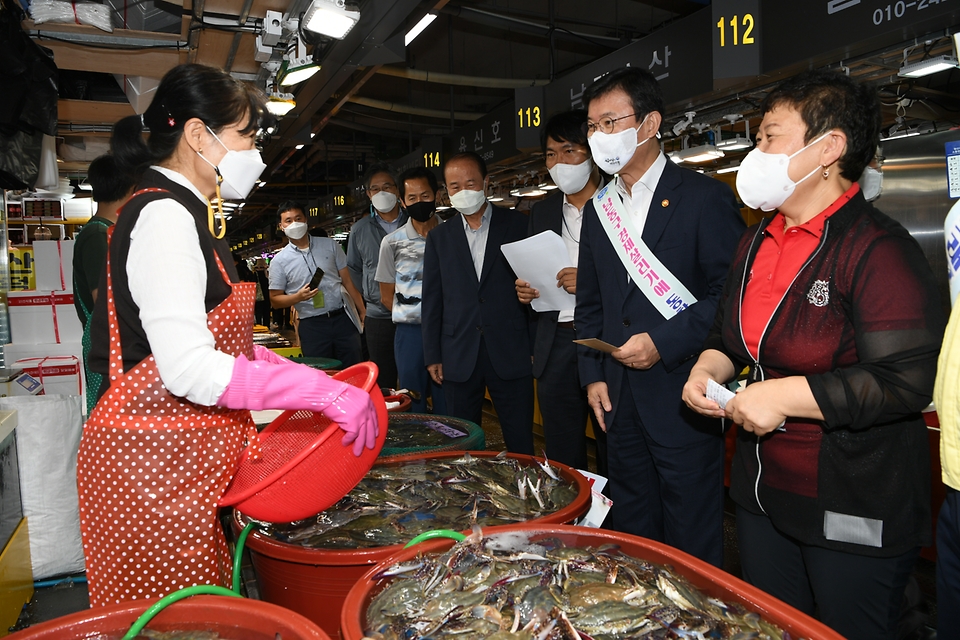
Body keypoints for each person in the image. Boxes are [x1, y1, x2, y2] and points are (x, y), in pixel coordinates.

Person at [79, 63, 378, 607]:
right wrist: (319, 394)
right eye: (245, 136)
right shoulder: (164, 217)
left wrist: (285, 369)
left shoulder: (188, 214)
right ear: (199, 135)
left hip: (182, 464)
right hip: (156, 479)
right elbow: (190, 369)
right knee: (184, 619)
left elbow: (211, 342)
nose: (254, 152)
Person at [682, 69, 943, 639]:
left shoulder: (877, 249)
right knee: (774, 626)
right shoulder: (754, 242)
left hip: (852, 495)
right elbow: (731, 340)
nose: (756, 153)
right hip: (760, 493)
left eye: (770, 137)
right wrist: (709, 367)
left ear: (828, 148)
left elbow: (903, 381)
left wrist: (784, 396)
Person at [575, 67, 744, 564]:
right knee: (633, 528)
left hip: (682, 393)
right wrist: (592, 375)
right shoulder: (598, 209)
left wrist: (664, 342)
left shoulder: (704, 197)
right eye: (592, 126)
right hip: (617, 399)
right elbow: (591, 302)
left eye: (609, 123)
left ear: (648, 125)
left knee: (691, 527)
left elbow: (728, 295)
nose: (598, 137)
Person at [422, 152, 534, 453]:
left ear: (486, 182)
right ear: (446, 192)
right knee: (461, 441)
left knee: (520, 437)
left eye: (470, 183)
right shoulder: (439, 238)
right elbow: (432, 299)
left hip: (510, 350)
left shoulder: (518, 225)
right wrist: (433, 354)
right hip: (458, 353)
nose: (464, 191)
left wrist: (536, 347)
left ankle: (525, 493)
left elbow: (535, 286)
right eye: (455, 186)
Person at [515, 110, 606, 473]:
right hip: (556, 342)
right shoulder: (543, 212)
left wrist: (590, 281)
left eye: (569, 150)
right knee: (561, 445)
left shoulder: (617, 203)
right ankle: (571, 520)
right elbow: (534, 268)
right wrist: (526, 290)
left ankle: (612, 522)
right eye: (551, 154)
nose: (559, 162)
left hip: (603, 342)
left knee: (610, 441)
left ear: (591, 151)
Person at [375, 166, 446, 414]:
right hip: (410, 334)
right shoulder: (391, 243)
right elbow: (386, 296)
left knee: (447, 400)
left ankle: (452, 451)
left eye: (425, 196)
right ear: (403, 202)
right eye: (412, 198)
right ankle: (419, 453)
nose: (419, 202)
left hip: (448, 332)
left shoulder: (452, 236)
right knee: (412, 400)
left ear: (437, 195)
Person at [72, 153, 135, 414]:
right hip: (109, 344)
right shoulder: (98, 234)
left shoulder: (106, 231)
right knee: (113, 416)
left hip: (113, 343)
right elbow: (104, 301)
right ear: (130, 190)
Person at [269, 201, 366, 365]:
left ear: (306, 220)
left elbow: (347, 281)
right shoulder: (279, 261)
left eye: (298, 218)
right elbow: (275, 300)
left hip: (343, 319)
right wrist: (297, 297)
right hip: (312, 326)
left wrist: (362, 311)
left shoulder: (330, 245)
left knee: (353, 366)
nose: (294, 224)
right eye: (288, 220)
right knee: (321, 374)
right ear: (281, 226)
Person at [348, 164, 407, 388]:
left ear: (398, 189)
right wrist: (369, 294)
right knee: (384, 379)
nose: (381, 192)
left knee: (414, 374)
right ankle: (389, 420)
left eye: (387, 186)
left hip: (415, 313)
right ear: (368, 194)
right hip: (378, 316)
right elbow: (353, 267)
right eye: (375, 189)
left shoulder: (415, 222)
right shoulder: (360, 229)